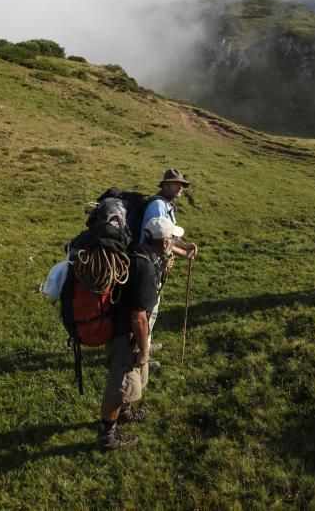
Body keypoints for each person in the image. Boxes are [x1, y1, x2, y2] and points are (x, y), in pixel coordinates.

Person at [98, 216, 185, 450]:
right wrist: (144, 349)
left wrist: (161, 268)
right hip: (125, 335)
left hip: (126, 331)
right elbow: (138, 317)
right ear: (165, 243)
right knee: (120, 385)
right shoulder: (145, 267)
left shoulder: (140, 252)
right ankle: (107, 435)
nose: (174, 240)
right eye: (172, 237)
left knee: (131, 380)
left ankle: (125, 412)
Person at [140, 168, 198, 368]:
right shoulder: (158, 206)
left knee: (153, 307)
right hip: (150, 264)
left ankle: (145, 344)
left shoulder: (166, 205)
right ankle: (142, 354)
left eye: (182, 183)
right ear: (165, 185)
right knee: (147, 309)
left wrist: (185, 245)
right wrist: (184, 253)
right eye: (177, 183)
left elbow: (170, 235)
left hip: (158, 263)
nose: (181, 187)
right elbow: (160, 238)